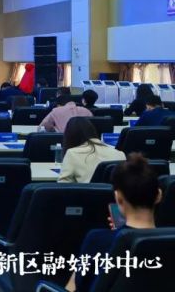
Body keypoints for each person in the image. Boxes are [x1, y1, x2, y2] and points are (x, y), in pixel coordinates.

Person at [65, 154, 161, 292]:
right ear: (158, 195)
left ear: (118, 198)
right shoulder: (169, 241)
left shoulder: (97, 240)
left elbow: (75, 286)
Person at [58, 117, 126, 183]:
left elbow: (63, 185)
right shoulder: (120, 154)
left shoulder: (72, 153)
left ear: (69, 136)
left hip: (86, 191)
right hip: (114, 191)